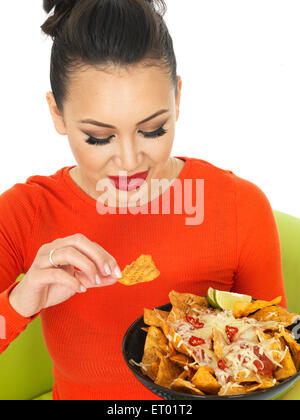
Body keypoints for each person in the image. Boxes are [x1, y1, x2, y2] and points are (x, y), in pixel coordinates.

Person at [0, 0, 287, 400]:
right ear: (57, 114)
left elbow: (274, 360)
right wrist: (20, 300)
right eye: (99, 137)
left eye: (153, 129)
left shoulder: (240, 207)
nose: (130, 161)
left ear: (178, 98)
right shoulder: (25, 213)